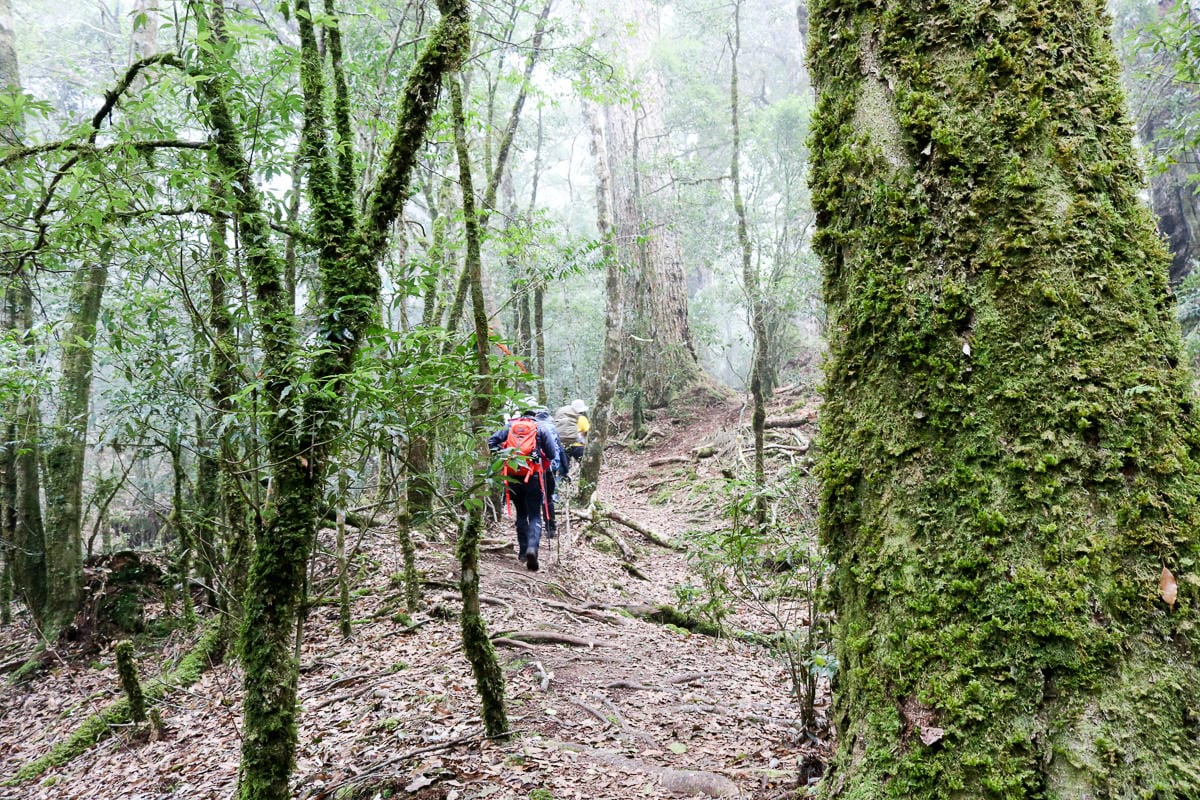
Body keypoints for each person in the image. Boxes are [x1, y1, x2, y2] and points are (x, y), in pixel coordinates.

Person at [488, 402, 562, 572]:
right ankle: (532, 549)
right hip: (534, 477)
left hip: (513, 476)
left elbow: (491, 442)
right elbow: (551, 454)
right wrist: (538, 455)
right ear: (535, 416)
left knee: (521, 514)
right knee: (535, 514)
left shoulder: (510, 426)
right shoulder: (540, 428)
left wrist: (505, 453)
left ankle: (522, 553)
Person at [534, 408, 569, 539]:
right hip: (549, 466)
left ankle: (533, 527)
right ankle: (550, 528)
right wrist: (565, 469)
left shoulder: (532, 427)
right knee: (547, 497)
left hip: (531, 467)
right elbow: (559, 449)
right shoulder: (552, 428)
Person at [553, 399, 590, 471]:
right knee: (586, 467)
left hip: (564, 445)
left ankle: (564, 480)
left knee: (564, 468)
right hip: (579, 446)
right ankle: (585, 481)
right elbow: (587, 431)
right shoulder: (582, 418)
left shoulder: (563, 419)